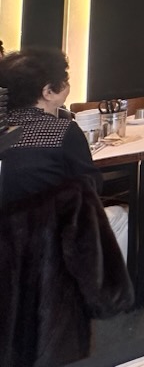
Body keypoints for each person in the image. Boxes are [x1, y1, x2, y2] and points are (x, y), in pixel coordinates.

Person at [0, 47, 129, 258]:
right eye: (64, 80)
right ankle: (113, 288)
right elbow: (90, 188)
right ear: (48, 92)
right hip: (51, 237)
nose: (68, 84)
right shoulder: (63, 130)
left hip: (9, 239)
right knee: (122, 217)